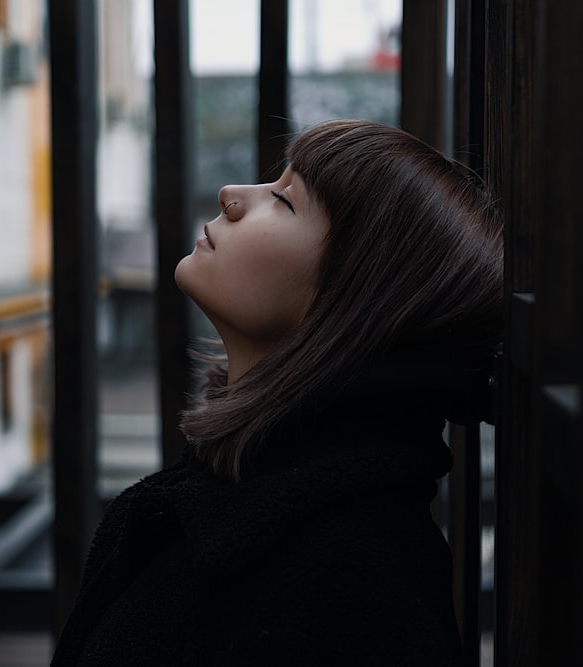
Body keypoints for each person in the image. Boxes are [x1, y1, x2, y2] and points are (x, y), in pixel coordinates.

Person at [51, 119, 504, 665]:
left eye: (287, 201)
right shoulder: (269, 506)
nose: (233, 195)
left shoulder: (351, 583)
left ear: (352, 298)